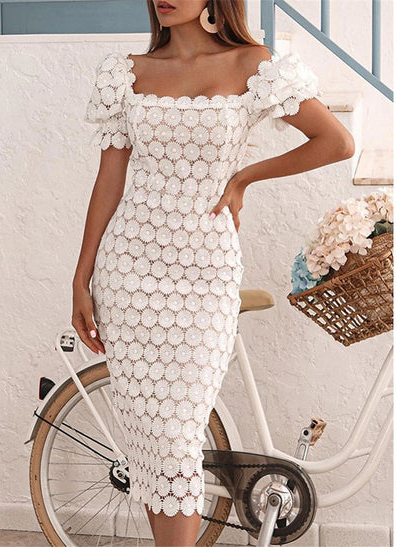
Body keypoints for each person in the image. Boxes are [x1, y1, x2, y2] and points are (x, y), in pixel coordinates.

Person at [72, 1, 355, 545]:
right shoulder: (125, 73)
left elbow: (337, 142)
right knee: (153, 446)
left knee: (178, 438)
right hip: (128, 272)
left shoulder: (254, 64)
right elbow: (108, 180)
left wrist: (244, 176)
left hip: (205, 272)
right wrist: (80, 279)